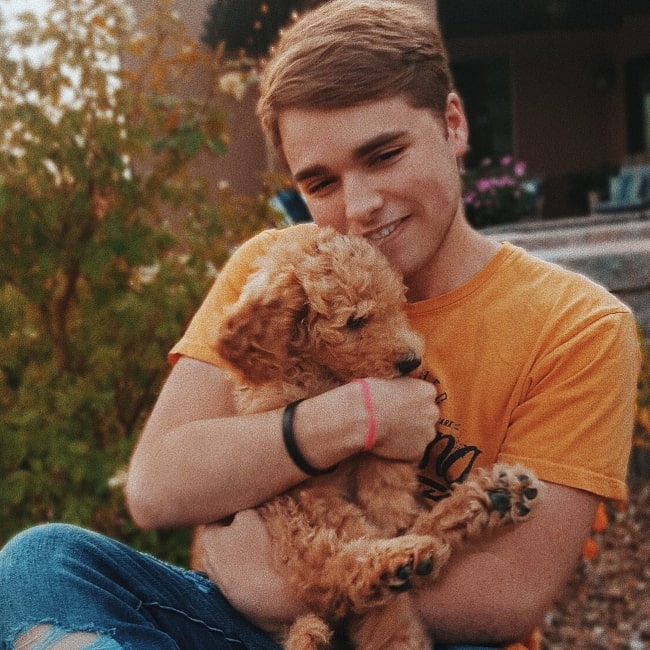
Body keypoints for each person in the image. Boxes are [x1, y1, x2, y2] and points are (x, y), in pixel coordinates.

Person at [0, 1, 640, 648]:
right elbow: (158, 484)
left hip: (410, 636)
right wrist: (353, 418)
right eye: (321, 182)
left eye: (384, 155)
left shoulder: (577, 326)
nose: (360, 206)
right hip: (244, 630)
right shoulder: (277, 268)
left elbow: (510, 592)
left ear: (452, 124)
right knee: (41, 563)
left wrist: (281, 582)